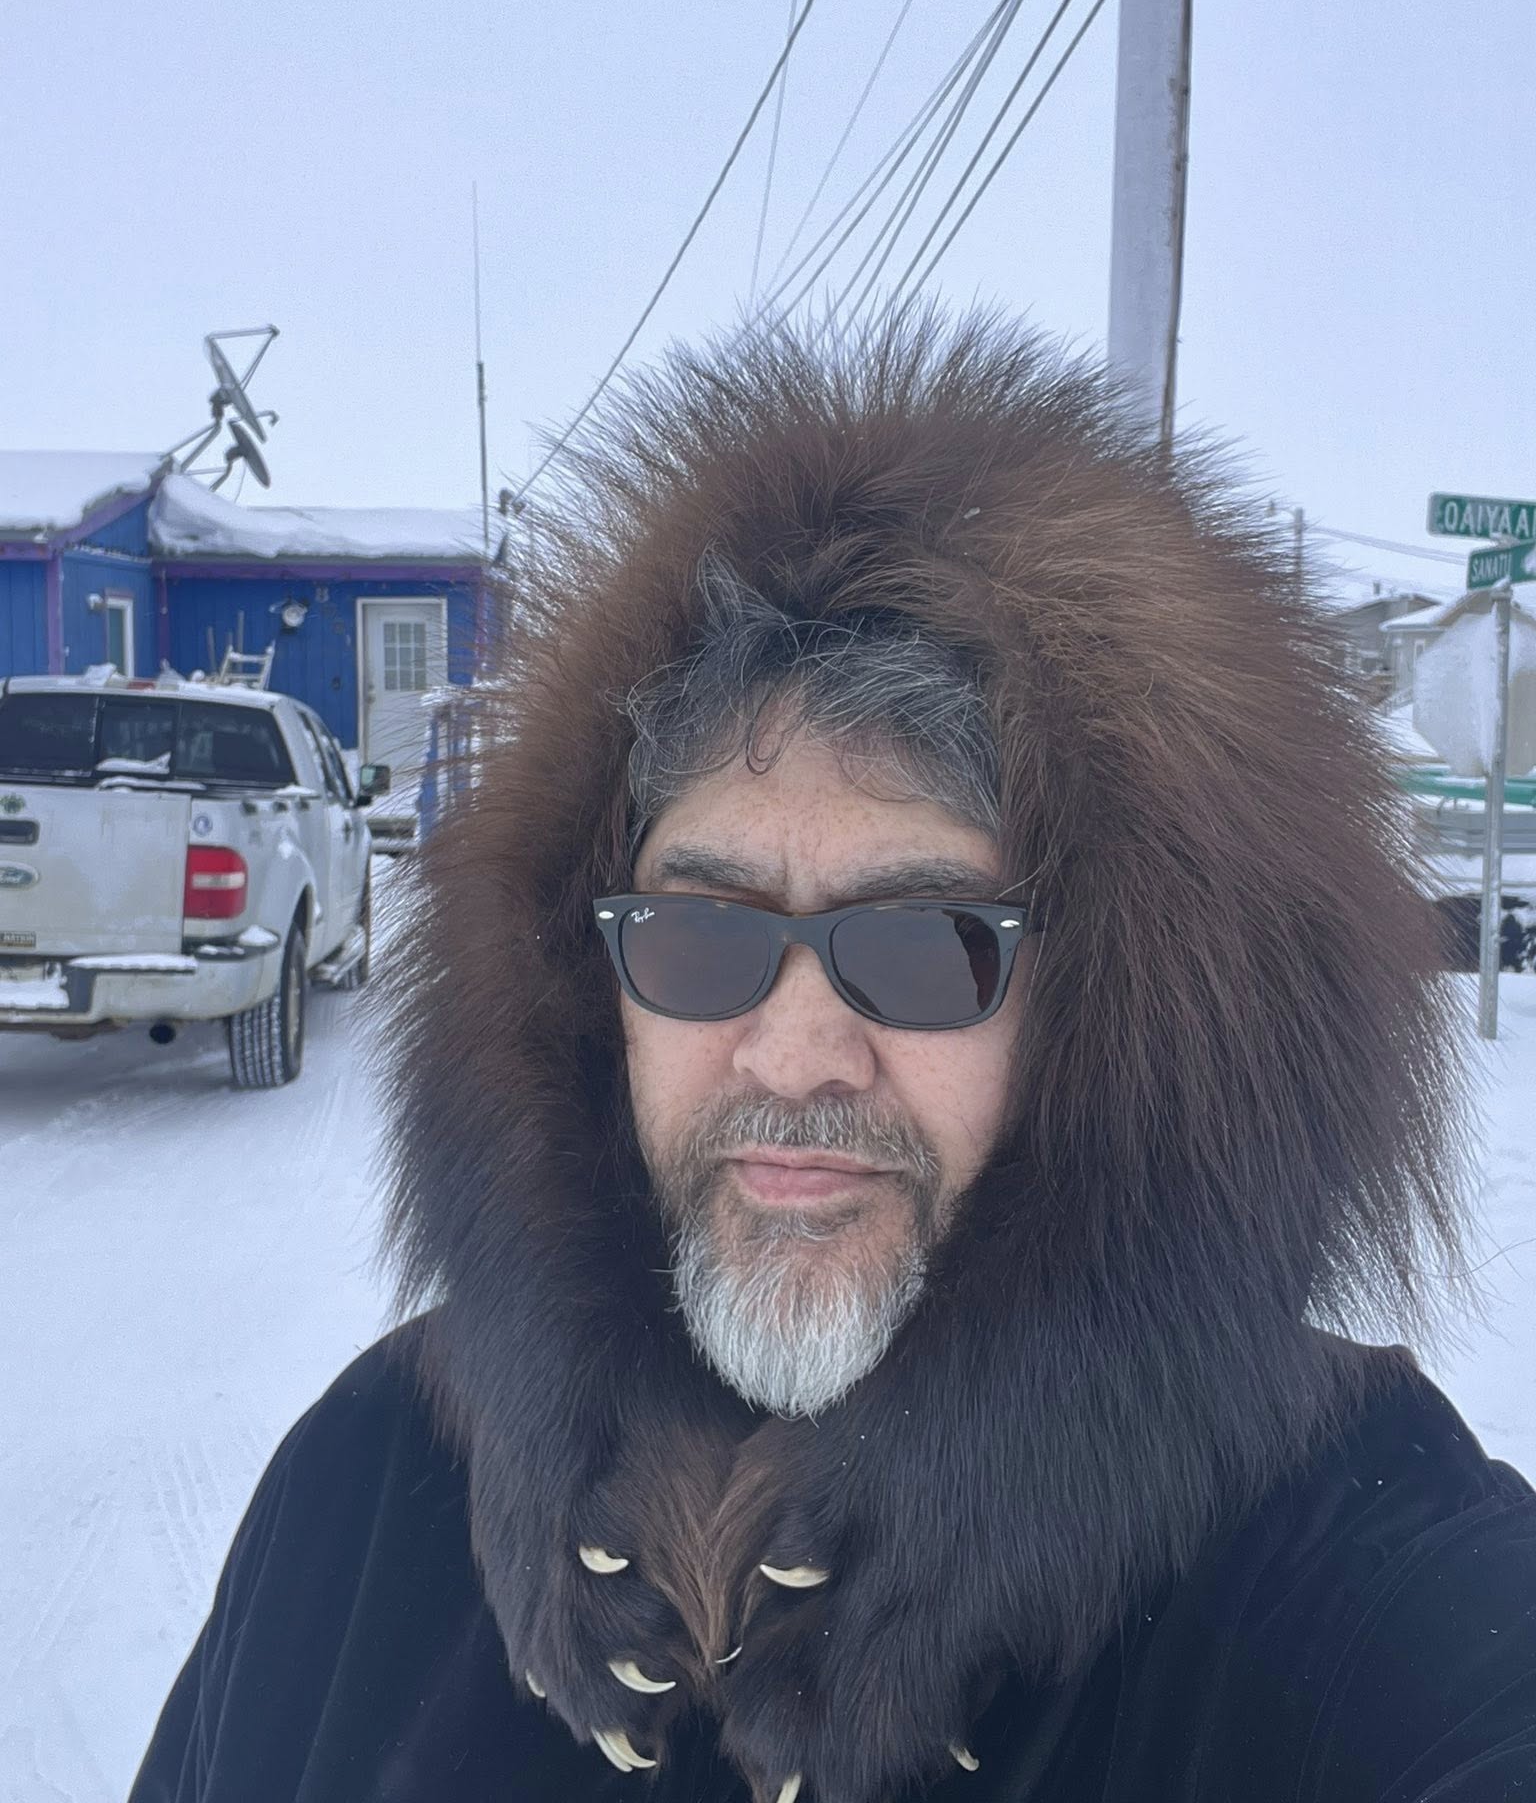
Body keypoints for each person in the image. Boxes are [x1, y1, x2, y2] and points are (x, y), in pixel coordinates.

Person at [130, 315, 1536, 1803]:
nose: (794, 1052)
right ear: (572, 992)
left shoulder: (1340, 1566)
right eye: (696, 936)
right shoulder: (370, 1495)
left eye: (927, 942)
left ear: (1117, 1021)